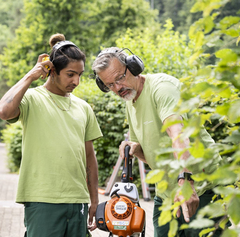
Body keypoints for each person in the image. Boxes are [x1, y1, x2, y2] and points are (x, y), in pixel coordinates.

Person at [92, 47, 225, 237]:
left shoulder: (162, 89)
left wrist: (185, 181)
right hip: (167, 194)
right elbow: (152, 157)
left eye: (119, 78)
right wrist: (135, 149)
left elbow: (177, 134)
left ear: (133, 66)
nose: (117, 88)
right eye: (110, 85)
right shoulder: (130, 102)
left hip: (202, 188)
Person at [0, 33, 103, 237]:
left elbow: (90, 157)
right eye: (70, 74)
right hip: (42, 199)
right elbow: (3, 111)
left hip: (78, 200)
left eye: (80, 74)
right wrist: (30, 75)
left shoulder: (84, 108)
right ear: (53, 70)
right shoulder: (32, 99)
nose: (77, 81)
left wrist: (94, 200)